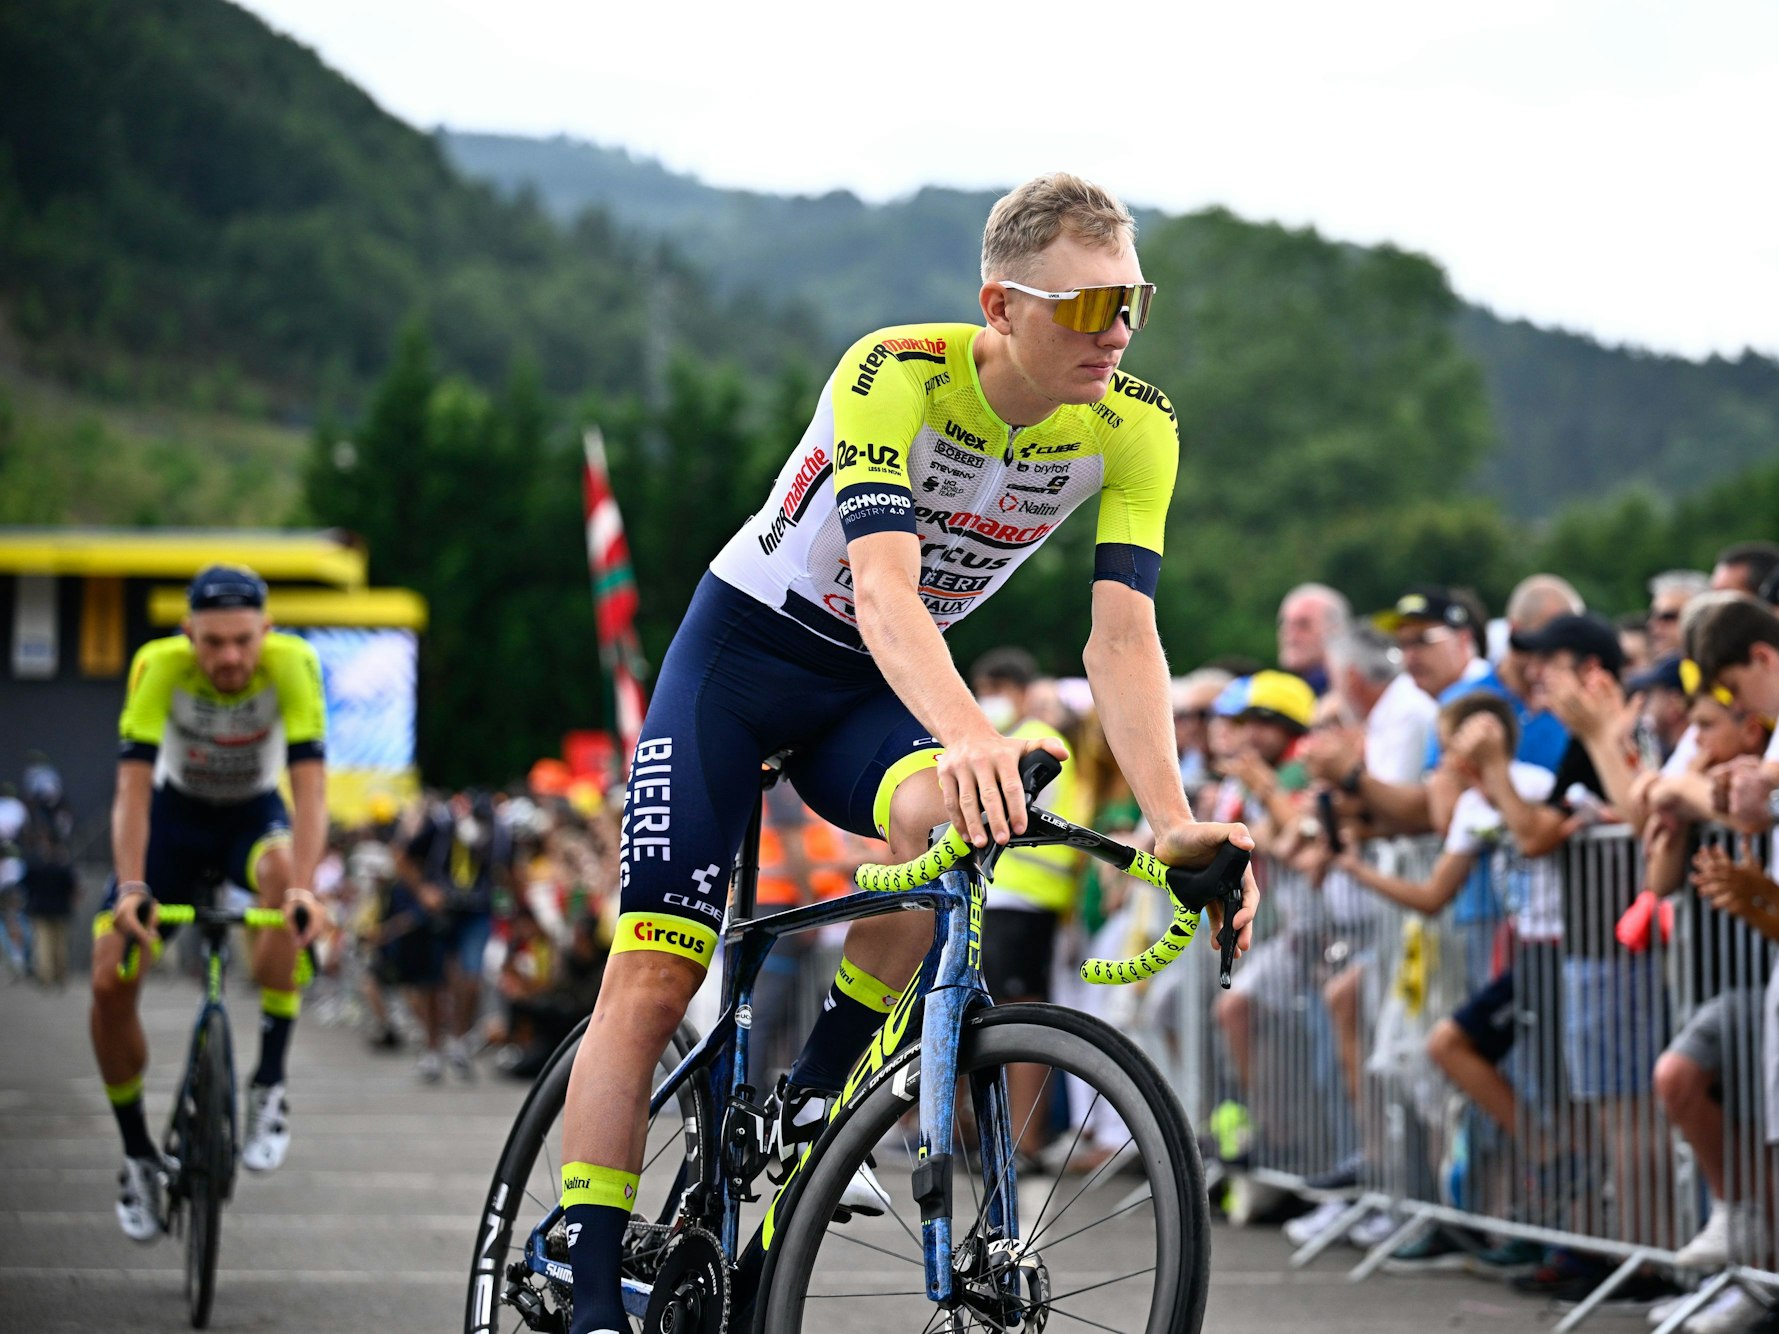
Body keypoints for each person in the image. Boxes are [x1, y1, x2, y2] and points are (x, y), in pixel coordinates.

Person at [554, 172, 1259, 1334]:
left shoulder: (1136, 423)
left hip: (869, 691)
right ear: (1002, 307)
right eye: (1089, 307)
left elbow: (1123, 637)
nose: (1118, 331)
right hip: (740, 664)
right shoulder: (894, 372)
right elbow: (883, 586)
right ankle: (586, 1281)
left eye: (1134, 302)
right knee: (660, 964)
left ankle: (815, 1093)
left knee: (949, 819)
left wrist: (1172, 816)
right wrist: (970, 728)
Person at [91, 565, 327, 1242]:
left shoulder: (294, 663)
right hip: (172, 825)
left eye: (243, 641)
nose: (229, 657)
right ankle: (138, 1153)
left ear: (267, 632)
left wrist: (305, 888)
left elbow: (311, 788)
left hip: (250, 820)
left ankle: (269, 1082)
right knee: (108, 979)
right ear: (187, 634)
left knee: (283, 878)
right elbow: (132, 791)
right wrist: (131, 887)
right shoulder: (157, 666)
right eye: (213, 642)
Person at [970, 646, 1089, 1161]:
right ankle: (1000, 1139)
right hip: (1008, 898)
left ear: (1020, 692)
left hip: (1026, 901)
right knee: (995, 1015)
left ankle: (1024, 1142)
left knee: (1019, 1018)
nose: (987, 700)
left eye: (995, 690)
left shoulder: (1036, 743)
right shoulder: (1012, 740)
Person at [1276, 583, 1351, 697]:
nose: (1291, 635)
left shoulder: (1351, 695)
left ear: (1336, 630)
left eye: (1303, 624)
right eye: (1285, 623)